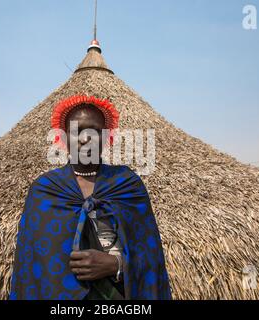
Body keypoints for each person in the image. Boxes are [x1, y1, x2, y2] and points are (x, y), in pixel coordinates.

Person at [10, 95, 171, 300]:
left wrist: (117, 265)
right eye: (77, 131)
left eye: (94, 131)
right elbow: (30, 266)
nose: (85, 138)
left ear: (106, 138)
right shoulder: (44, 191)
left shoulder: (127, 185)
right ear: (63, 137)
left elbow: (152, 259)